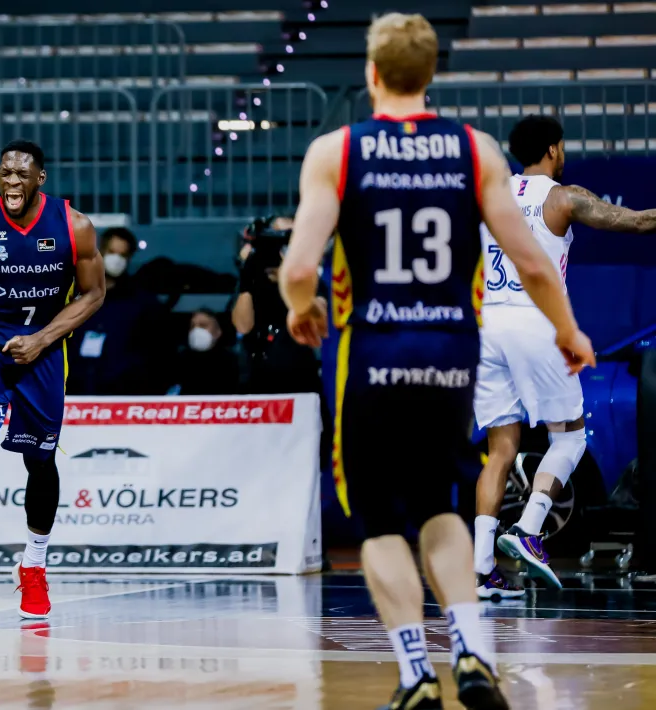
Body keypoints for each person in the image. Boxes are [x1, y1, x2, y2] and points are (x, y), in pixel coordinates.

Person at [279, 13, 594, 710]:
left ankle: (415, 669)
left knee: (380, 523)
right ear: (430, 77)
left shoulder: (337, 151)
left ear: (370, 74)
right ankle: (474, 652)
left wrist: (301, 307)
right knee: (439, 507)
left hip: (373, 352)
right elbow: (532, 261)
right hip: (452, 349)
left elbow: (300, 264)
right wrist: (569, 331)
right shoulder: (476, 150)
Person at [473, 115, 656, 598]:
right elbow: (638, 222)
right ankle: (529, 530)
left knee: (500, 451)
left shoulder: (490, 196)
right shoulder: (562, 197)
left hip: (488, 326)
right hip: (534, 321)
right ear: (553, 150)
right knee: (570, 439)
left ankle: (482, 570)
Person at [0, 139, 105, 625]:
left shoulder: (74, 226)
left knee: (40, 461)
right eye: (4, 173)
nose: (11, 181)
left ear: (40, 179)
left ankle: (33, 565)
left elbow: (95, 293)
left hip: (42, 357)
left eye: (21, 174)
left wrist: (42, 338)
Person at [66, 227, 170, 395]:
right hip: (76, 400)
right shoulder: (73, 298)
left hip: (122, 402)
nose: (116, 260)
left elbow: (159, 357)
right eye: (112, 252)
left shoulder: (143, 304)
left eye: (123, 255)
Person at [233, 216, 323, 395]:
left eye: (290, 239)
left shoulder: (315, 275)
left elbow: (318, 320)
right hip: (260, 376)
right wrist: (247, 275)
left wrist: (289, 276)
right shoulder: (256, 275)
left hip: (304, 376)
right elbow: (242, 326)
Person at [166, 308, 239, 395]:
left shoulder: (230, 361)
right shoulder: (179, 360)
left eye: (203, 325)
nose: (196, 330)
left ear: (217, 332)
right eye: (192, 326)